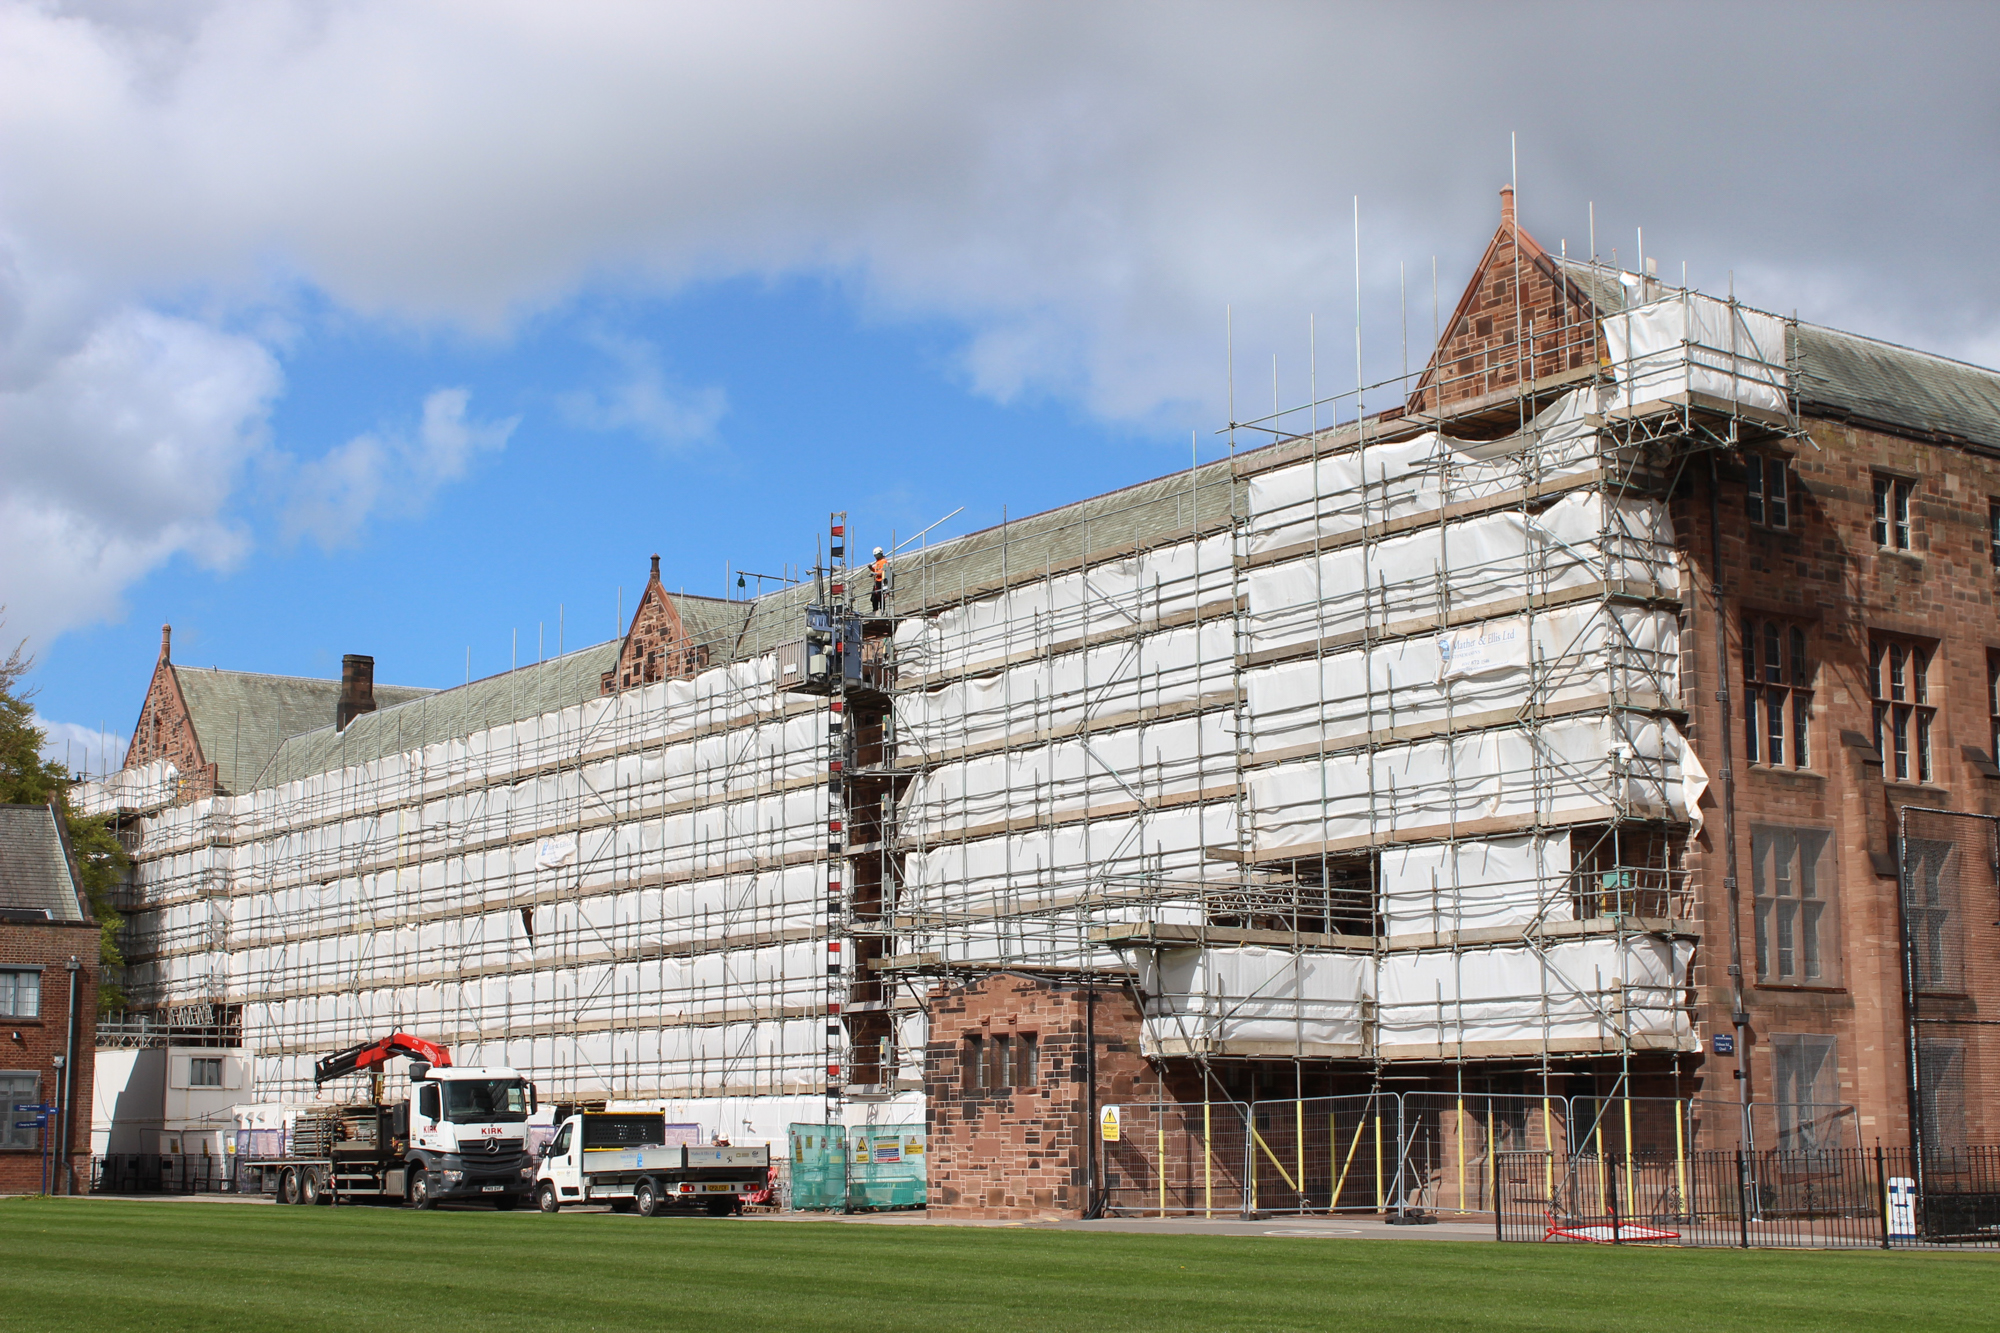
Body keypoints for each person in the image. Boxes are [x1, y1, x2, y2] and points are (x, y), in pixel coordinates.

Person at [870, 546, 888, 613]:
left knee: (880, 596)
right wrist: (871, 568)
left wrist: (875, 573)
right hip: (877, 581)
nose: (876, 557)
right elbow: (876, 570)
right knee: (874, 597)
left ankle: (882, 610)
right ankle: (875, 610)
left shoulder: (884, 561)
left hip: (881, 581)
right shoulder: (877, 562)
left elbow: (884, 571)